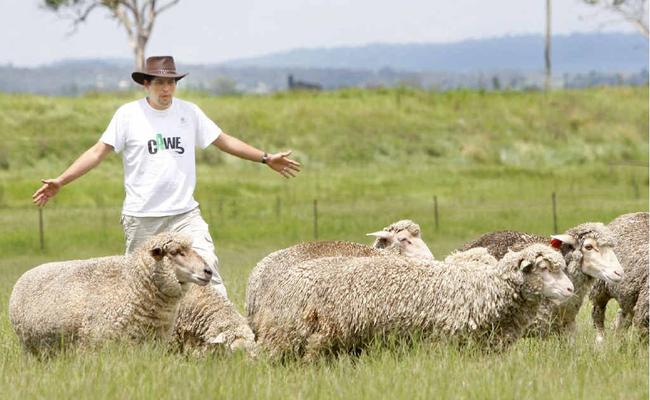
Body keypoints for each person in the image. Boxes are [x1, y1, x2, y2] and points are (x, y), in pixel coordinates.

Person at [32, 55, 301, 296]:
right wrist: (61, 180)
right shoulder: (127, 115)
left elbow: (224, 141)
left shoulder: (189, 112)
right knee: (141, 285)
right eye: (160, 83)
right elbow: (96, 153)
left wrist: (265, 158)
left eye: (171, 83)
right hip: (142, 218)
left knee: (206, 268)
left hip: (184, 214)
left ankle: (221, 334)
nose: (166, 89)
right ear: (146, 84)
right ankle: (143, 343)